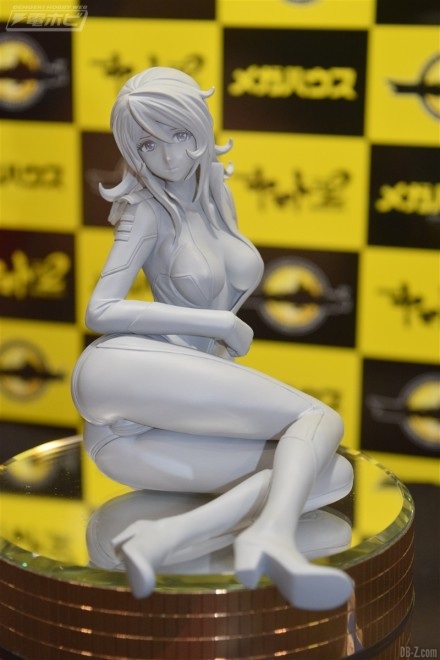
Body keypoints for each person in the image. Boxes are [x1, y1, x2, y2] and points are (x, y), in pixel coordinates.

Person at [71, 67, 354, 610]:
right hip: (122, 379)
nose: (168, 156)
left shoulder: (215, 199)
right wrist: (218, 324)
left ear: (199, 127)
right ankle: (270, 537)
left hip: (144, 439)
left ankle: (167, 537)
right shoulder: (145, 211)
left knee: (327, 470)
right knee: (321, 419)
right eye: (148, 144)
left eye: (179, 134)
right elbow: (100, 309)